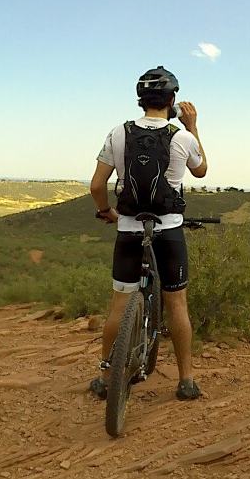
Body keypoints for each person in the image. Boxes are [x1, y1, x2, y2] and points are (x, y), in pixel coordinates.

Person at [89, 65, 208, 401]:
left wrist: (106, 211)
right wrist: (193, 127)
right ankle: (186, 380)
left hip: (129, 229)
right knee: (177, 304)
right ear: (171, 100)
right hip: (169, 231)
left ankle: (105, 377)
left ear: (140, 99)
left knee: (119, 305)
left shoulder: (118, 133)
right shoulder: (182, 137)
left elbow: (97, 185)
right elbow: (201, 170)